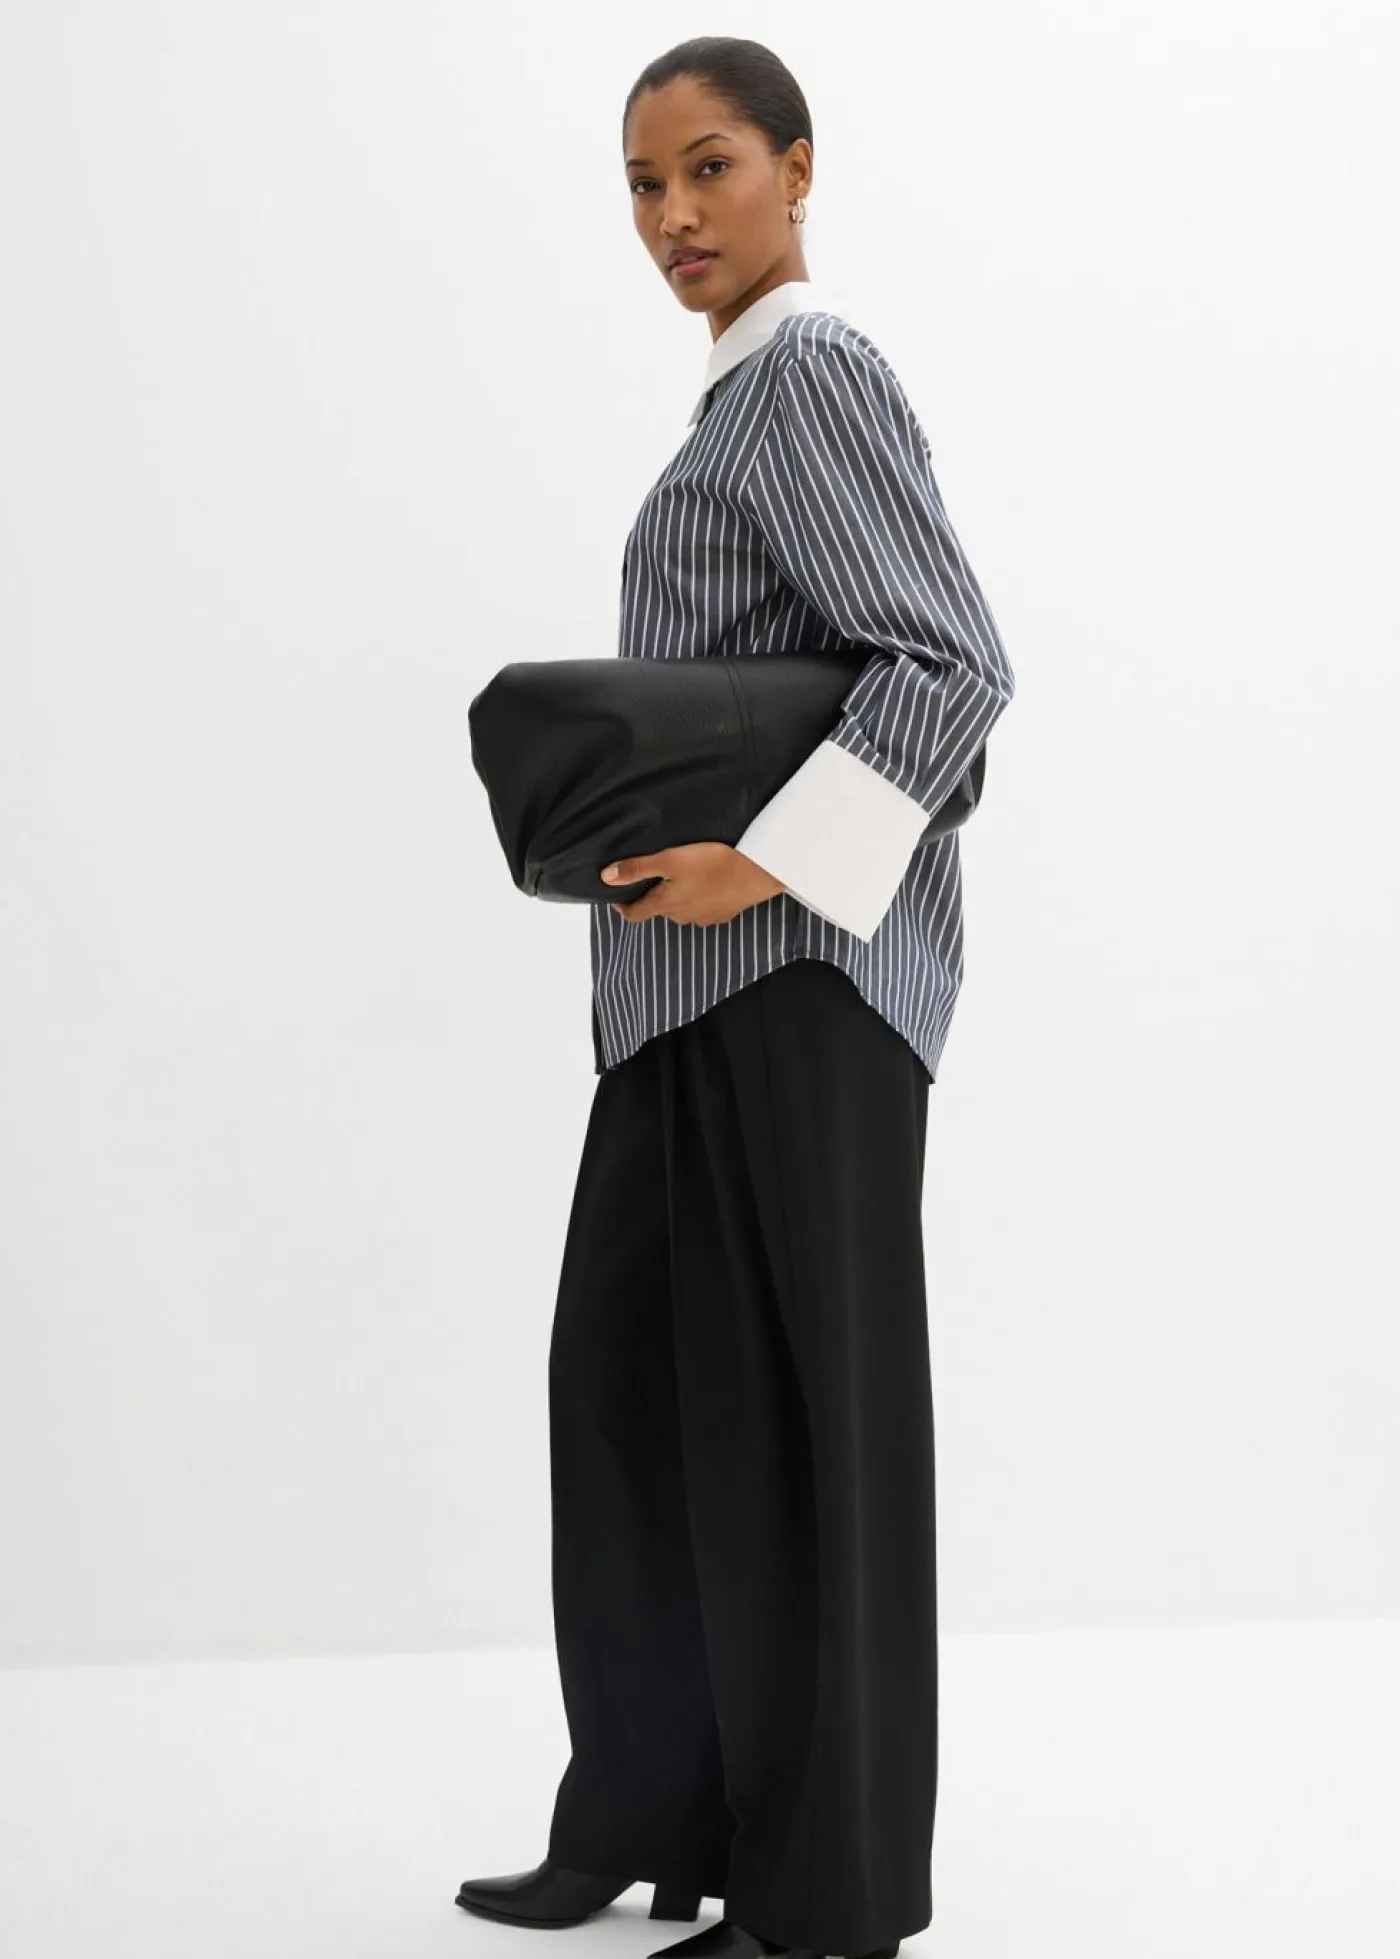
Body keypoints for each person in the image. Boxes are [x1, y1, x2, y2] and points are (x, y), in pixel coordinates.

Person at [456, 34, 1015, 1959]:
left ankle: (819, 1894)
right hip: (685, 999)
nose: (675, 214)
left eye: (709, 166)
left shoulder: (810, 375)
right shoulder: (731, 406)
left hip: (805, 987)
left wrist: (757, 867)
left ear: (797, 167)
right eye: (643, 183)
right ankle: (646, 1807)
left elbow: (952, 668)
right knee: (629, 1400)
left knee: (792, 1432)